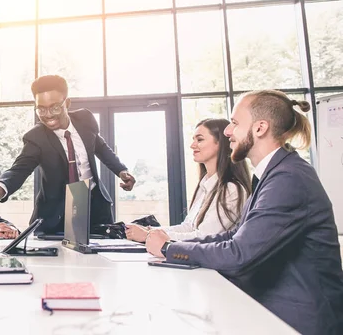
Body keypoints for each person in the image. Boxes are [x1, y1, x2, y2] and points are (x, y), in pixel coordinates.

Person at [146, 90, 343, 335]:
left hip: (298, 321)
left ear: (260, 128)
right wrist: (170, 244)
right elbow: (233, 237)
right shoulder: (274, 173)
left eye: (235, 123)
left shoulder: (288, 178)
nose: (228, 131)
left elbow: (239, 254)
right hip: (273, 309)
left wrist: (169, 249)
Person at [0, 75, 136, 234]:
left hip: (96, 209)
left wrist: (120, 171)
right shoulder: (36, 137)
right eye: (41, 109)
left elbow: (100, 147)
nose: (48, 115)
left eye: (55, 107)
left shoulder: (85, 119)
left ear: (67, 103)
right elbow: (19, 169)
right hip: (56, 216)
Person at [125, 118, 251, 242]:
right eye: (193, 140)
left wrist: (148, 236)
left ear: (220, 143)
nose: (192, 145)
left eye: (200, 139)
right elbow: (188, 227)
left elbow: (204, 236)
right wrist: (150, 231)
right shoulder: (205, 185)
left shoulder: (232, 189)